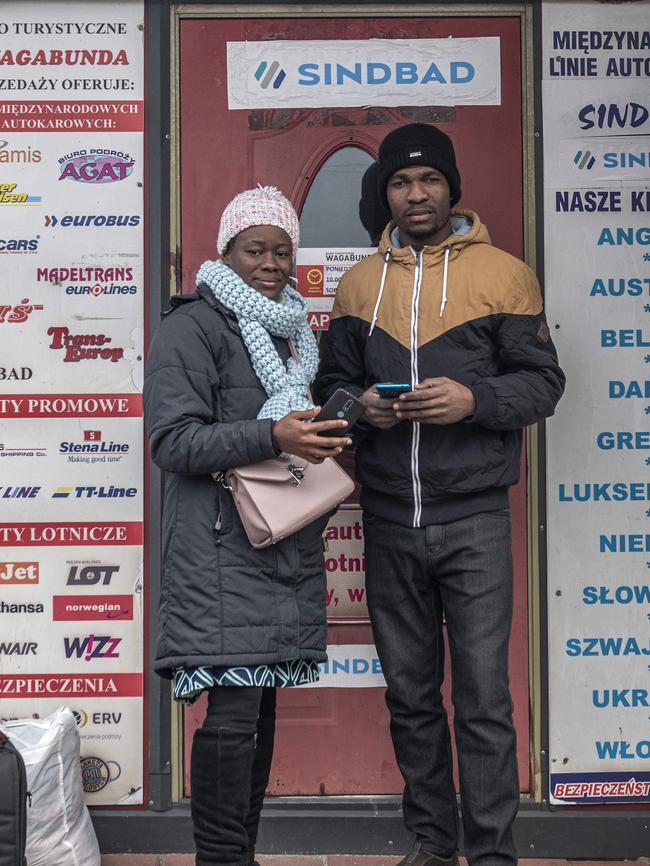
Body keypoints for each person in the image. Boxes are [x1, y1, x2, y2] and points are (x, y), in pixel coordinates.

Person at [315, 124, 565, 866]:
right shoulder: (361, 282)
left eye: (428, 181)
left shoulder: (505, 275)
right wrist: (363, 408)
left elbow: (544, 383)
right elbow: (328, 388)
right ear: (385, 194)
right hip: (389, 517)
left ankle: (492, 854)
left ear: (452, 188)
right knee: (412, 699)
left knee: (484, 702)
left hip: (476, 519)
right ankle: (432, 843)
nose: (415, 195)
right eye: (400, 183)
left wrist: (473, 400)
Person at [144, 185, 351, 866]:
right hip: (216, 551)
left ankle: (241, 855)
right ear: (225, 253)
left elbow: (279, 433)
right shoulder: (191, 326)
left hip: (276, 546)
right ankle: (221, 860)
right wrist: (275, 434)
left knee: (256, 720)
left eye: (281, 251)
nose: (270, 263)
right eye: (254, 249)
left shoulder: (295, 336)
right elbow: (173, 442)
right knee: (231, 722)